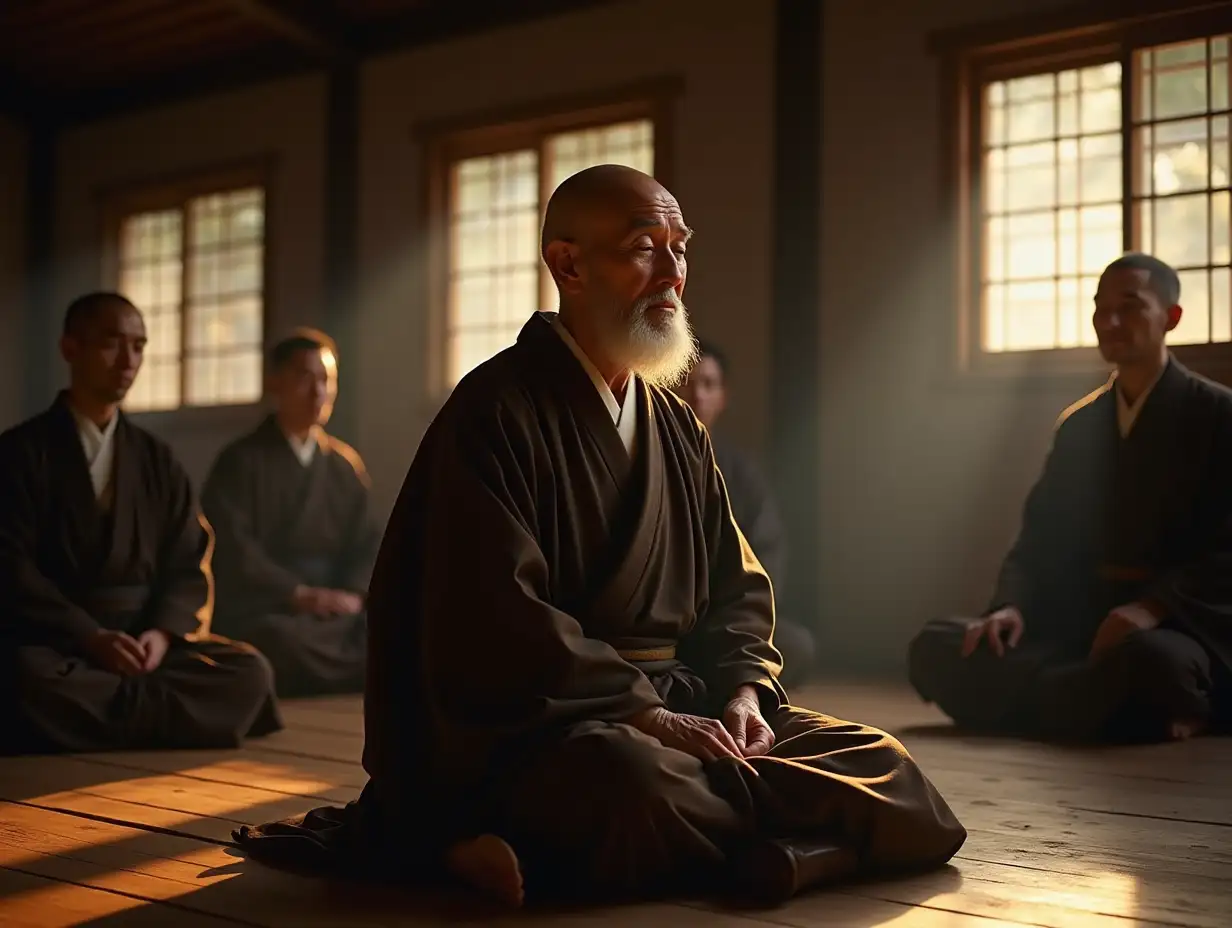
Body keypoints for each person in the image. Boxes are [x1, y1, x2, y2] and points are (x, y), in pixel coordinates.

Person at [235, 165, 965, 908]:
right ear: (569, 263)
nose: (673, 274)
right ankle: (806, 843)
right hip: (554, 721)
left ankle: (788, 854)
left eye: (680, 248)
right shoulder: (494, 410)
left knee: (887, 765)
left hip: (687, 704)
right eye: (646, 247)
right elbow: (494, 615)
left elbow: (736, 585)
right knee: (628, 787)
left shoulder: (677, 425)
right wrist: (646, 714)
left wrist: (743, 692)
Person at [908, 253, 1232, 743]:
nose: (1110, 321)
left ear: (1171, 317)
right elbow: (1039, 536)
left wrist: (1152, 607)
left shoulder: (1218, 415)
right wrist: (1011, 607)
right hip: (1078, 623)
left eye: (1130, 306)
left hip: (1175, 627)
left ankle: (1062, 704)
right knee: (937, 646)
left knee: (1154, 662)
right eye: (1100, 308)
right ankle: (1122, 713)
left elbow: (1226, 551)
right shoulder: (1081, 425)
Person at [0, 292, 282, 754]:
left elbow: (190, 556)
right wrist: (89, 636)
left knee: (250, 672)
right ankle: (158, 718)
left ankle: (102, 718)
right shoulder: (20, 452)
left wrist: (163, 634)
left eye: (139, 345)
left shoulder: (156, 459)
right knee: (20, 676)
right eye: (112, 343)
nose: (128, 360)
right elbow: (9, 566)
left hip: (143, 647)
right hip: (60, 645)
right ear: (70, 348)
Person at [201, 330, 379, 697]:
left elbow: (368, 542)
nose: (318, 392)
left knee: (395, 624)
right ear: (275, 384)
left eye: (326, 379)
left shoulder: (344, 465)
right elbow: (233, 547)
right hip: (270, 604)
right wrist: (298, 594)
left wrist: (353, 595)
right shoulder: (241, 461)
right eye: (304, 377)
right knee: (279, 641)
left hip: (335, 606)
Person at [678, 341, 816, 684]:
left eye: (709, 384)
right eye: (687, 381)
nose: (697, 395)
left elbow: (767, 554)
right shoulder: (647, 459)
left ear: (722, 397)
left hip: (726, 619)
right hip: (666, 620)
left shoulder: (741, 472)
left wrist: (738, 614)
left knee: (796, 646)